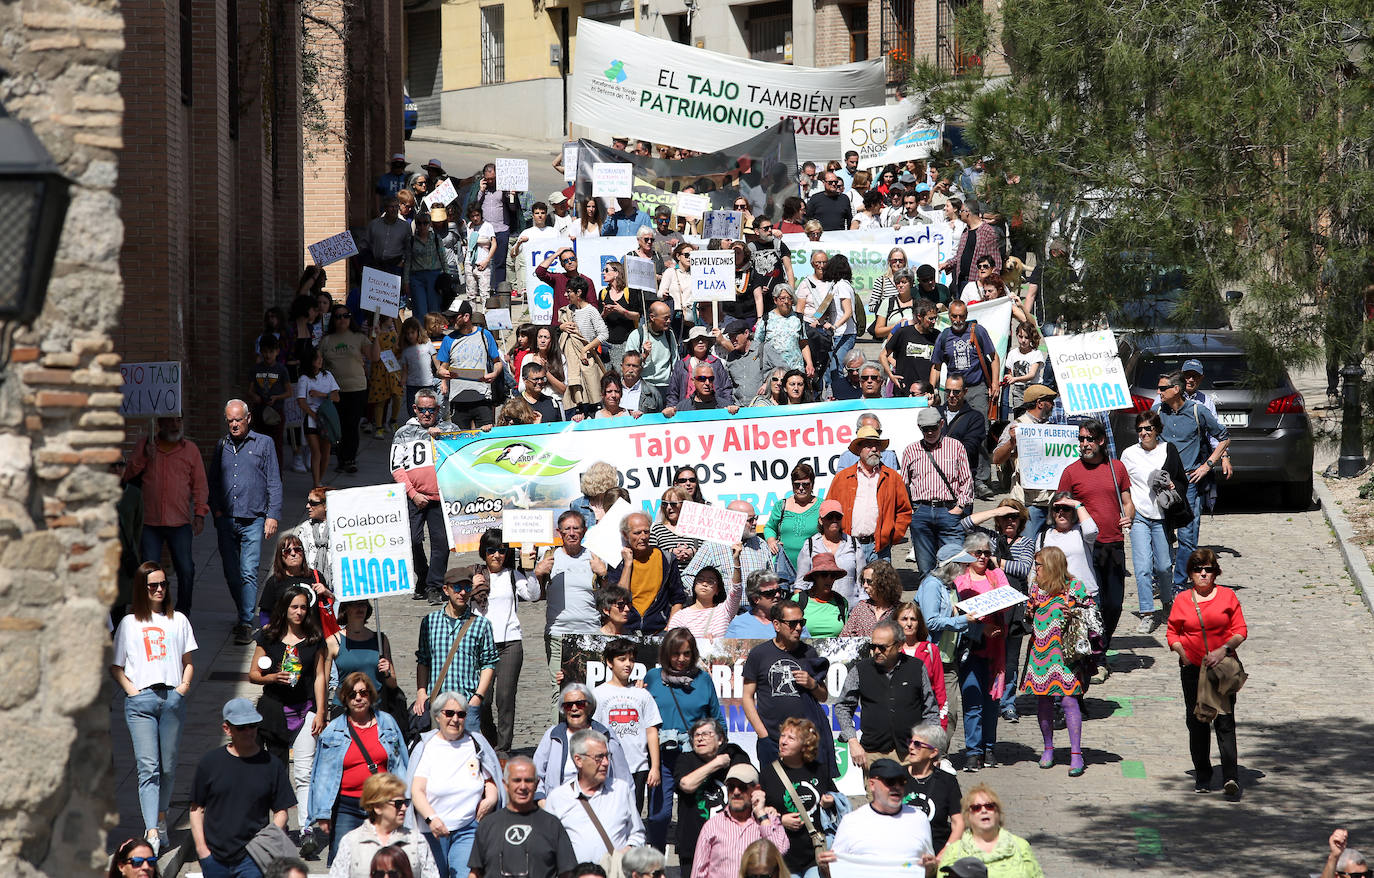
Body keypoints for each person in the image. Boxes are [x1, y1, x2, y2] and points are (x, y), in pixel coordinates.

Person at [112, 562, 197, 853]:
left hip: (172, 698)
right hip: (141, 702)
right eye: (153, 586)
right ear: (142, 589)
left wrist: (183, 688)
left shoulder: (178, 620)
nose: (160, 589)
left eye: (163, 584)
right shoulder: (129, 623)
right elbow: (116, 665)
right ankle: (151, 830)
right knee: (148, 767)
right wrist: (132, 691)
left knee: (168, 766)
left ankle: (161, 818)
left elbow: (188, 661)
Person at [249, 584, 329, 855]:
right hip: (274, 712)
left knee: (304, 772)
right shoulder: (268, 636)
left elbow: (320, 676)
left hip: (305, 711)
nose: (299, 612)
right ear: (284, 608)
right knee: (277, 771)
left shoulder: (314, 638)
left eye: (303, 607)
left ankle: (307, 829)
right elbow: (253, 674)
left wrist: (321, 711)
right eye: (294, 607)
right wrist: (273, 677)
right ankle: (278, 828)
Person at [1166, 548, 1247, 796]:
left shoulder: (1227, 596)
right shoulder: (1182, 600)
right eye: (1198, 569)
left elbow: (1240, 630)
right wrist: (1184, 656)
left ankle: (1230, 777)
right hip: (1193, 670)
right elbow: (1172, 633)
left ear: (1215, 573)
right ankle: (1203, 776)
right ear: (1190, 574)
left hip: (1222, 669)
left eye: (1208, 569)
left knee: (1224, 721)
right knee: (1198, 722)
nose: (1203, 574)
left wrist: (1223, 650)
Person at [1056, 417, 1132, 673]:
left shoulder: (1116, 468)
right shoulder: (1071, 472)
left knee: (1114, 604)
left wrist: (1128, 516)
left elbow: (1127, 501)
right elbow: (1060, 508)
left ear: (1101, 440)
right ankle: (1095, 657)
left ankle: (1102, 643)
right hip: (1085, 548)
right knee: (1091, 603)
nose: (1084, 444)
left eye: (1089, 439)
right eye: (1081, 439)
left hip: (1114, 544)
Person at [312, 676, 412, 866]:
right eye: (352, 694)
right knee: (344, 862)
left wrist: (405, 800)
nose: (358, 698)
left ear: (370, 695)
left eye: (363, 693)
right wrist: (322, 814)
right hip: (346, 806)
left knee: (386, 861)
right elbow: (322, 775)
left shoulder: (387, 723)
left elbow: (401, 763)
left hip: (384, 804)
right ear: (345, 698)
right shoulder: (333, 730)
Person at [190, 698, 295, 878]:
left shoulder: (272, 765)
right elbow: (196, 809)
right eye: (241, 727)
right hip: (215, 858)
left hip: (254, 860)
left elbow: (281, 812)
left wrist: (265, 845)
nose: (248, 732)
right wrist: (202, 851)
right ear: (227, 729)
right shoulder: (210, 763)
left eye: (252, 726)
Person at [642, 631, 728, 850]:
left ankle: (692, 862)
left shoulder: (703, 679)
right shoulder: (652, 678)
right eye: (675, 653)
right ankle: (655, 863)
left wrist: (722, 748)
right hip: (662, 758)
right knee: (659, 817)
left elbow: (717, 718)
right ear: (666, 653)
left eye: (687, 654)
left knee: (693, 818)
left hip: (694, 758)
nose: (681, 659)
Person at [209, 399, 283, 644]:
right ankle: (244, 611)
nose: (234, 425)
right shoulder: (221, 445)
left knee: (248, 571)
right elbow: (213, 481)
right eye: (230, 420)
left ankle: (245, 622)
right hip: (226, 519)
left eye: (238, 420)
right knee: (232, 573)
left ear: (248, 418)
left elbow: (274, 480)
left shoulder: (264, 443)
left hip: (254, 519)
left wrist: (272, 515)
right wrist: (216, 511)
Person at [408, 691, 503, 877]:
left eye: (461, 714)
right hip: (432, 830)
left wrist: (491, 798)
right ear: (437, 716)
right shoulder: (426, 746)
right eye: (449, 713)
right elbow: (416, 790)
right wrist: (431, 819)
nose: (455, 719)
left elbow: (490, 778)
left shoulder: (476, 742)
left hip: (468, 827)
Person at [1155, 369, 1231, 597]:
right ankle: (1161, 579)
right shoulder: (1157, 412)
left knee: (1187, 537)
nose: (1158, 392)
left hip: (1189, 482)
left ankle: (1179, 582)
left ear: (1176, 389)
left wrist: (1208, 464)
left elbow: (1224, 437)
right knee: (1162, 534)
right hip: (1164, 484)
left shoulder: (1198, 411)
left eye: (1162, 388)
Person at [123, 415, 208, 614]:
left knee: (186, 569)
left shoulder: (190, 450)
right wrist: (144, 457)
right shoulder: (146, 445)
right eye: (170, 421)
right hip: (150, 522)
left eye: (178, 420)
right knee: (149, 570)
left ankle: (183, 612)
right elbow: (127, 475)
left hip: (179, 521)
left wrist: (200, 513)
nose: (174, 425)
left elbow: (200, 484)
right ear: (160, 423)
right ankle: (150, 610)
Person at [835, 619, 941, 777]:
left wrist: (932, 747)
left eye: (882, 647)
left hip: (912, 753)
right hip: (874, 754)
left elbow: (930, 710)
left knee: (914, 793)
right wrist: (852, 740)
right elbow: (843, 706)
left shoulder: (917, 667)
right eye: (873, 646)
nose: (876, 651)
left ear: (899, 646)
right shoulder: (860, 670)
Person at [742, 601, 834, 774]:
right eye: (792, 623)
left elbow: (823, 696)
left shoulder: (809, 653)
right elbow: (747, 697)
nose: (798, 628)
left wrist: (812, 684)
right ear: (776, 625)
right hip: (771, 740)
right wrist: (763, 734)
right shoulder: (759, 654)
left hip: (804, 741)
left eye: (801, 622)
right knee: (774, 789)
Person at [1120, 408, 1192, 632]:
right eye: (1140, 429)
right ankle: (1147, 613)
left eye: (1148, 428)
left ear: (1157, 429)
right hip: (1139, 517)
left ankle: (1167, 601)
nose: (1144, 433)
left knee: (1163, 566)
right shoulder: (1129, 454)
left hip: (1162, 516)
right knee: (1142, 567)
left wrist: (1172, 485)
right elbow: (1122, 486)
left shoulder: (1168, 450)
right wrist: (1125, 512)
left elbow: (1182, 481)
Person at [1022, 547, 1091, 777]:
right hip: (1041, 654)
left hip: (1066, 655)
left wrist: (1075, 614)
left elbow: (1092, 615)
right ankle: (1048, 748)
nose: (1036, 570)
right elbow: (1028, 616)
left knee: (1069, 701)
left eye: (1039, 565)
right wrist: (1030, 613)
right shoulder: (1036, 589)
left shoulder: (1075, 588)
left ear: (1051, 566)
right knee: (1043, 701)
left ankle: (1076, 754)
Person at [470, 530, 539, 756]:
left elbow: (533, 595)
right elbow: (454, 599)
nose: (497, 555)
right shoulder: (473, 574)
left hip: (510, 643)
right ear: (484, 552)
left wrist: (530, 569)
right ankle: (490, 741)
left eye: (501, 550)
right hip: (481, 645)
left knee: (505, 697)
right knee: (483, 698)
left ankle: (503, 748)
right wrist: (470, 586)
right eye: (491, 550)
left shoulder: (512, 575)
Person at [534, 512, 610, 702]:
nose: (572, 533)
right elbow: (536, 595)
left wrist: (604, 575)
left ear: (584, 531)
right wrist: (537, 575)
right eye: (567, 529)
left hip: (591, 633)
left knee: (592, 690)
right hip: (558, 635)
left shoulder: (594, 557)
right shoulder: (550, 557)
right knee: (560, 690)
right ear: (559, 532)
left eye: (576, 528)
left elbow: (608, 598)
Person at [392, 389, 459, 604]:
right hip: (414, 497)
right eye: (422, 410)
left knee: (441, 543)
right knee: (412, 540)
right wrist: (413, 494)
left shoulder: (450, 429)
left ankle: (434, 586)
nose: (427, 414)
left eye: (431, 410)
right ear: (415, 409)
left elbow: (465, 452)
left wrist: (444, 439)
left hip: (441, 497)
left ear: (438, 409)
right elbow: (396, 467)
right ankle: (423, 575)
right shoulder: (403, 432)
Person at [544, 729, 646, 863]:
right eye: (599, 757)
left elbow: (637, 834)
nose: (606, 762)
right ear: (579, 760)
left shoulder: (621, 790)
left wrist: (627, 852)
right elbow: (546, 844)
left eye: (607, 756)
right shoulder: (558, 798)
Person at [413, 570, 498, 732]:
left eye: (467, 588)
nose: (463, 593)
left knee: (469, 747)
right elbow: (423, 660)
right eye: (457, 588)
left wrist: (478, 697)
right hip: (438, 704)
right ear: (446, 590)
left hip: (467, 704)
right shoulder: (429, 622)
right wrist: (421, 693)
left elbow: (488, 664)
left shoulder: (482, 625)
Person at [929, 300, 1000, 494]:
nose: (958, 320)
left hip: (976, 388)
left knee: (981, 432)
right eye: (954, 316)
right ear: (949, 316)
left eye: (961, 316)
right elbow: (936, 366)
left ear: (966, 315)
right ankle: (951, 475)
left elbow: (994, 357)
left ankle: (981, 479)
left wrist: (995, 383)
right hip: (953, 391)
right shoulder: (944, 336)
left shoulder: (978, 331)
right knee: (950, 432)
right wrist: (933, 390)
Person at [954, 533, 1011, 772]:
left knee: (991, 701)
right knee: (972, 698)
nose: (983, 557)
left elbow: (1007, 601)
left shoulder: (997, 576)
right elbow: (956, 612)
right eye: (978, 552)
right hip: (971, 646)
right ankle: (973, 751)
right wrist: (979, 626)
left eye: (987, 552)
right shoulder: (960, 579)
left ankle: (988, 747)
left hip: (995, 646)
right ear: (968, 554)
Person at [469, 756, 577, 878]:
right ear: (505, 784)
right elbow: (475, 873)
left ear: (536, 784)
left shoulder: (552, 825)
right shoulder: (488, 825)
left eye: (528, 781)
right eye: (517, 780)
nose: (523, 787)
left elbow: (567, 873)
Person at [820, 759, 935, 872]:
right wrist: (826, 867)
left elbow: (928, 869)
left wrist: (930, 868)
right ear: (872, 785)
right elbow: (837, 870)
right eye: (890, 781)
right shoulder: (852, 822)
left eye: (902, 782)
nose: (897, 787)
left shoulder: (919, 819)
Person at [757, 718, 838, 878]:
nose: (783, 742)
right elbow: (758, 813)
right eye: (782, 736)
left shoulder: (819, 770)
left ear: (805, 745)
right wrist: (780, 820)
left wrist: (830, 801)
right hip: (784, 855)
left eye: (791, 738)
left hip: (815, 852)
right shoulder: (768, 773)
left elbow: (837, 800)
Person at [592, 638, 664, 812]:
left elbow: (651, 731)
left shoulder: (642, 694)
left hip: (638, 766)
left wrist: (654, 767)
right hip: (609, 766)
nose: (628, 664)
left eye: (631, 660)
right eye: (622, 659)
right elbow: (593, 734)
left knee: (634, 812)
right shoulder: (598, 694)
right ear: (609, 662)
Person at [903, 407, 973, 577]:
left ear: (941, 424)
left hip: (948, 510)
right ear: (919, 428)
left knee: (955, 567)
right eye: (925, 429)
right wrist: (910, 511)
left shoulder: (956, 446)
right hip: (921, 511)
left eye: (933, 428)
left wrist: (960, 507)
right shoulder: (910, 450)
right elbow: (904, 484)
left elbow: (966, 480)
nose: (929, 433)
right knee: (925, 568)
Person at [532, 683, 634, 801]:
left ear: (589, 707)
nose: (574, 708)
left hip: (599, 804)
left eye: (580, 704)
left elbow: (624, 778)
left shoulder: (605, 734)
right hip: (559, 805)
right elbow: (535, 773)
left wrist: (627, 806)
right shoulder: (553, 735)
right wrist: (541, 800)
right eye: (568, 705)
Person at [828, 426, 913, 565]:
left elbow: (904, 511)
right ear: (859, 450)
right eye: (868, 445)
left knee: (880, 580)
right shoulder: (842, 478)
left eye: (877, 446)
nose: (874, 449)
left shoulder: (892, 478)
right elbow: (829, 509)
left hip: (879, 549)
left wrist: (891, 537)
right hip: (848, 547)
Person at [327, 772, 438, 878]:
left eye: (406, 802)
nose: (404, 808)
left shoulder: (417, 841)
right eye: (398, 803)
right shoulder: (352, 841)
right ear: (377, 807)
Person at [690, 763, 788, 878]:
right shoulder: (712, 826)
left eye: (742, 787)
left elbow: (780, 851)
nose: (736, 792)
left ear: (756, 789)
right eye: (731, 787)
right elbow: (698, 872)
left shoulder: (769, 820)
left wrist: (761, 815)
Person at [991, 384, 1060, 537]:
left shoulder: (1052, 428)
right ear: (1040, 403)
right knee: (1027, 545)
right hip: (1027, 503)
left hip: (1050, 500)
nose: (1053, 405)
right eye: (1050, 401)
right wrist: (1012, 442)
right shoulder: (1017, 426)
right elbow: (996, 458)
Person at [321, 305, 380, 473]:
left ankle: (350, 459)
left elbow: (374, 357)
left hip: (357, 389)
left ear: (350, 317)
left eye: (346, 315)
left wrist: (376, 337)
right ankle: (341, 459)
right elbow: (318, 363)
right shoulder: (326, 340)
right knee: (337, 426)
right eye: (338, 316)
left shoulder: (359, 337)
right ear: (333, 319)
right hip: (334, 391)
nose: (342, 319)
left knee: (352, 425)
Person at [607, 512, 686, 634]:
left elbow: (678, 598)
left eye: (646, 532)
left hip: (659, 631)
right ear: (625, 535)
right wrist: (628, 565)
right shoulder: (617, 562)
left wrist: (670, 628)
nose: (643, 537)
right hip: (626, 631)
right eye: (637, 533)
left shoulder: (666, 558)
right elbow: (618, 599)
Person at [937, 785, 1042, 876]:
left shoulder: (1020, 846)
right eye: (976, 808)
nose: (984, 810)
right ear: (968, 816)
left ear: (998, 812)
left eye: (989, 806)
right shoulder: (954, 851)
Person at [328, 600, 403, 726]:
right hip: (344, 709)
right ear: (345, 608)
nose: (360, 608)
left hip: (375, 709)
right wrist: (322, 712)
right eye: (355, 604)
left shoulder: (380, 640)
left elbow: (393, 684)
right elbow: (322, 680)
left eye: (363, 604)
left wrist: (387, 673)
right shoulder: (333, 641)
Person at [435, 301, 503, 429]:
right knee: (460, 437)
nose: (450, 321)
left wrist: (494, 373)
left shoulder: (485, 335)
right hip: (458, 400)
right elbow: (441, 369)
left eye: (454, 317)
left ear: (466, 317)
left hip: (483, 398)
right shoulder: (448, 339)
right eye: (449, 317)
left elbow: (497, 362)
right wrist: (442, 373)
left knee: (486, 437)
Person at [903, 724, 964, 856]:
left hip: (936, 851)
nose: (911, 747)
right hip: (902, 852)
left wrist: (944, 853)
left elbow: (958, 822)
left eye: (917, 744)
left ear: (933, 752)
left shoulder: (947, 781)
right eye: (910, 742)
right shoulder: (898, 777)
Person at [256, 532, 332, 630]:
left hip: (314, 634)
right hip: (285, 635)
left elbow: (333, 603)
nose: (293, 554)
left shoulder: (316, 576)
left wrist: (326, 592)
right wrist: (268, 628)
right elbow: (265, 612)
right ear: (281, 556)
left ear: (303, 553)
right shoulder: (274, 581)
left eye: (297, 549)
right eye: (287, 551)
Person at [795, 504, 864, 608]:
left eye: (838, 517)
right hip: (817, 609)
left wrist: (862, 609)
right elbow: (801, 584)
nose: (834, 520)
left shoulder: (853, 544)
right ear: (820, 520)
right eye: (830, 517)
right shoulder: (810, 545)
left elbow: (862, 582)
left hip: (850, 609)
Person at [896, 601, 950, 728]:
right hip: (898, 722)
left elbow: (940, 690)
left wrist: (941, 724)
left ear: (919, 622)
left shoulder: (931, 650)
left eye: (913, 619)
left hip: (926, 721)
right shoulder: (891, 651)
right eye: (904, 619)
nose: (909, 623)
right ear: (896, 622)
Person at [667, 550, 745, 637]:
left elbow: (736, 590)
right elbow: (672, 641)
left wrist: (736, 561)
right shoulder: (680, 616)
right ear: (694, 585)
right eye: (700, 580)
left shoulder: (724, 610)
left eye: (710, 581)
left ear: (718, 589)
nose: (704, 584)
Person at [764, 463, 821, 577]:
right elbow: (770, 527)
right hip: (784, 568)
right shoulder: (781, 505)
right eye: (797, 484)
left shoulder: (822, 506)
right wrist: (771, 541)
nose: (801, 488)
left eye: (805, 484)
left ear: (812, 484)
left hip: (813, 569)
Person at [939, 375, 989, 499]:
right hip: (936, 476)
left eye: (956, 392)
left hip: (961, 477)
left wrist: (940, 451)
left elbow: (970, 447)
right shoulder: (936, 412)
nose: (951, 395)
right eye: (948, 391)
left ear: (965, 392)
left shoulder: (975, 417)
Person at [666, 326, 738, 409]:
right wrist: (673, 409)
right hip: (687, 411)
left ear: (708, 343)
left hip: (714, 408)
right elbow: (673, 392)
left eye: (703, 339)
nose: (700, 342)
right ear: (691, 343)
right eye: (696, 339)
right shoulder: (681, 365)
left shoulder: (716, 363)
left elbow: (726, 388)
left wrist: (727, 406)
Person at [623, 301, 679, 399]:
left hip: (666, 386)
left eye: (670, 318)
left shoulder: (669, 335)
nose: (669, 321)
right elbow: (628, 366)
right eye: (665, 318)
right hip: (644, 387)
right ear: (652, 317)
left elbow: (675, 360)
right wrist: (644, 356)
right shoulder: (637, 335)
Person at [841, 559, 905, 636]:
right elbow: (845, 636)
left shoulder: (900, 610)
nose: (865, 585)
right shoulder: (861, 608)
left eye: (869, 581)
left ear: (884, 582)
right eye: (863, 581)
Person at [1001, 323, 1044, 414]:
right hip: (1018, 390)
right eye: (1020, 337)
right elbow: (1010, 372)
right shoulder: (1012, 354)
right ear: (1016, 335)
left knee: (1033, 417)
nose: (1023, 340)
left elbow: (1032, 375)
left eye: (1027, 337)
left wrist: (1015, 379)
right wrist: (1008, 377)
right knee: (1019, 417)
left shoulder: (1036, 353)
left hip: (1033, 389)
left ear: (1031, 338)